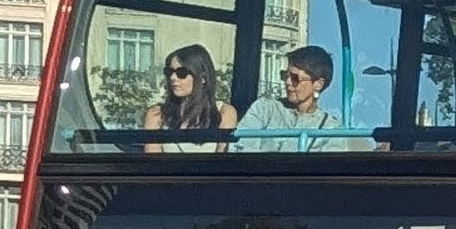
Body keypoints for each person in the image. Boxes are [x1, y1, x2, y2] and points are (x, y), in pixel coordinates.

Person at [232, 45, 369, 152]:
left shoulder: (330, 129)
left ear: (318, 84)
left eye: (295, 78)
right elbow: (241, 149)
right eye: (285, 76)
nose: (287, 82)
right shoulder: (264, 109)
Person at [141, 44, 237, 151]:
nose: (173, 77)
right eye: (169, 72)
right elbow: (153, 157)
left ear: (203, 77)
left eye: (181, 73)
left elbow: (223, 157)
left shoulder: (224, 112)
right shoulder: (157, 114)